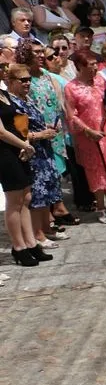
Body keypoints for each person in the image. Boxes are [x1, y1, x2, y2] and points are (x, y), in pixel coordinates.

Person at [64, 50, 106, 224]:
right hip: (89, 135)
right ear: (79, 67)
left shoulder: (101, 80)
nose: (95, 68)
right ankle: (100, 206)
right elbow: (72, 115)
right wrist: (87, 131)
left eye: (95, 64)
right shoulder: (71, 87)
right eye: (90, 65)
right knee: (97, 170)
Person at [0, 65, 46, 266]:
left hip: (19, 148)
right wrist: (24, 145)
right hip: (4, 152)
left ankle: (30, 242)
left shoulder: (2, 93)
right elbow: (1, 132)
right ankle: (18, 247)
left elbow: (17, 120)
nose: (3, 69)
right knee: (14, 200)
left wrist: (25, 143)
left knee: (26, 196)